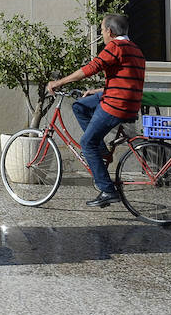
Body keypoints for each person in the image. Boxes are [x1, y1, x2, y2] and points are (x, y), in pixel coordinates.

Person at [45, 13, 146, 208]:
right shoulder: (135, 49)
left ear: (110, 31)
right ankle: (101, 150)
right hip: (128, 100)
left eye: (101, 30)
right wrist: (98, 90)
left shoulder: (115, 47)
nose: (102, 34)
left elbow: (91, 68)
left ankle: (107, 190)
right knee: (80, 105)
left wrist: (59, 82)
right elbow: (126, 79)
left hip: (116, 104)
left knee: (86, 143)